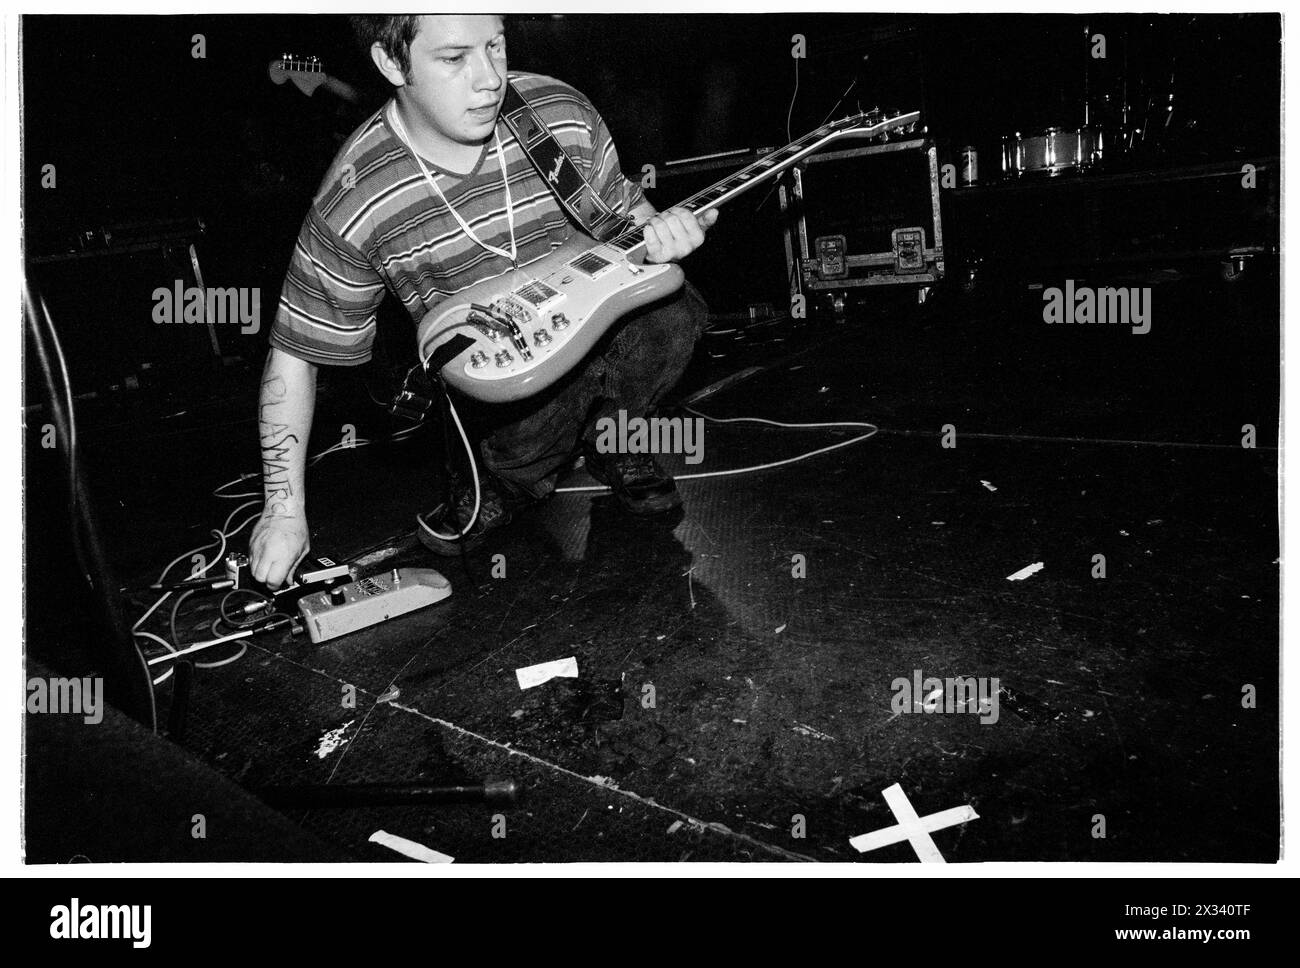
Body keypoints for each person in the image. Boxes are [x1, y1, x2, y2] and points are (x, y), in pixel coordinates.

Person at [250, 13, 717, 589]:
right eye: (454, 58)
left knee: (671, 308)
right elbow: (295, 355)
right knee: (521, 443)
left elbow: (625, 219)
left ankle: (616, 438)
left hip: (590, 318)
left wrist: (662, 236)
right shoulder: (356, 196)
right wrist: (283, 513)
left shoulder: (558, 112)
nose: (490, 78)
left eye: (495, 45)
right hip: (491, 372)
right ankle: (497, 480)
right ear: (392, 63)